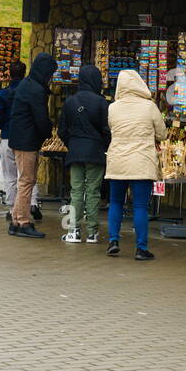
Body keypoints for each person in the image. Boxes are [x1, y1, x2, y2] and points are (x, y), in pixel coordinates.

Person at [105, 69, 166, 260]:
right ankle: (141, 248)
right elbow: (162, 134)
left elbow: (112, 129)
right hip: (141, 161)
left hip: (118, 162)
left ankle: (113, 241)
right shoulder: (149, 107)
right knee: (140, 207)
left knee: (115, 202)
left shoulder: (113, 107)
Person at [58, 64, 111, 243]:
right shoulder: (102, 102)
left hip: (75, 152)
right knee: (93, 191)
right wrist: (103, 145)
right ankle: (92, 232)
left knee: (76, 191)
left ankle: (73, 231)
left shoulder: (70, 101)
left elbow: (62, 130)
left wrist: (71, 143)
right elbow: (106, 130)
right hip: (95, 152)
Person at [8, 53, 57, 239]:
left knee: (25, 180)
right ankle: (23, 221)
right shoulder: (36, 90)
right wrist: (48, 132)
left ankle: (15, 220)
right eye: (50, 74)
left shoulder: (27, 84)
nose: (50, 78)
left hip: (22, 139)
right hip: (26, 142)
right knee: (26, 181)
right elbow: (41, 118)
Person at [0, 61, 41, 223]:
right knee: (28, 175)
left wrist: (3, 126)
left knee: (10, 175)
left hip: (7, 137)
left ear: (9, 74)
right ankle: (32, 203)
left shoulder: (3, 93)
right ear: (25, 72)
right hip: (26, 138)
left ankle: (12, 206)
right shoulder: (29, 91)